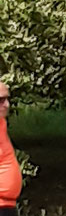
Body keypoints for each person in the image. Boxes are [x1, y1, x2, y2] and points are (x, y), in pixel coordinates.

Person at [0, 79, 22, 207]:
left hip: (8, 206)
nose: (7, 105)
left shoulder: (2, 124)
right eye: (0, 100)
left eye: (7, 99)